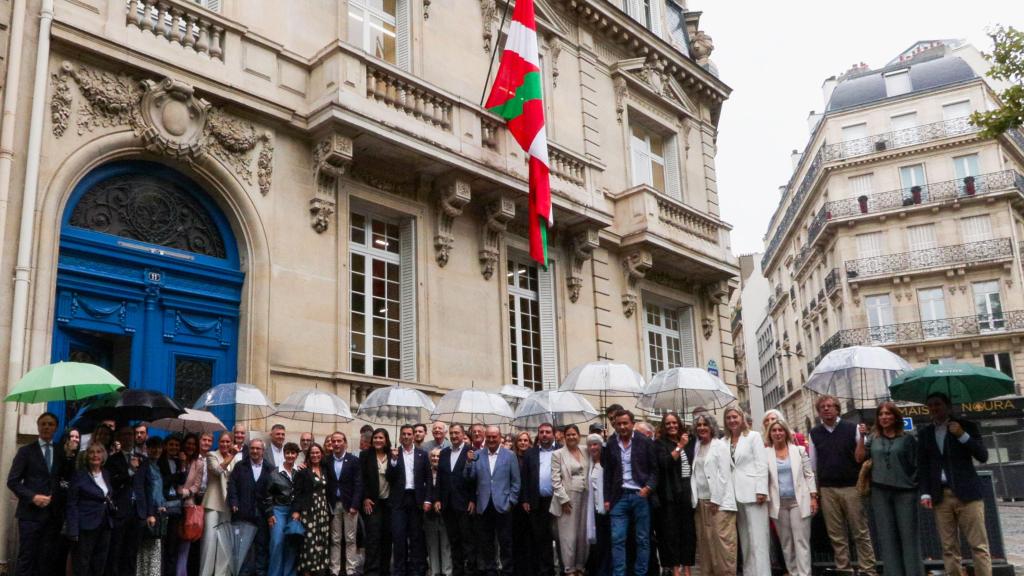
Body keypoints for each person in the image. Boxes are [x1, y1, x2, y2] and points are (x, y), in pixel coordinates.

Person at [918, 392, 991, 576]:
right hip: (941, 496)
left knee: (978, 545)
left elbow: (982, 456)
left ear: (948, 406)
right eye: (931, 405)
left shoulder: (966, 427)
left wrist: (962, 435)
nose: (935, 408)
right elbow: (923, 465)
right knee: (948, 547)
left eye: (938, 404)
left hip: (968, 494)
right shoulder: (925, 433)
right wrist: (925, 492)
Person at [808, 395, 876, 576]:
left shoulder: (852, 428)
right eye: (822, 407)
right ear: (819, 411)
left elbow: (859, 458)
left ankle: (868, 569)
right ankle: (844, 570)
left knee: (860, 531)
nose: (826, 409)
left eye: (830, 406)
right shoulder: (814, 433)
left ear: (837, 409)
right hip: (827, 489)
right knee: (836, 535)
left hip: (851, 487)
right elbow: (813, 466)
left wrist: (862, 437)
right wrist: (816, 493)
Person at [852, 402, 921, 576]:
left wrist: (913, 485)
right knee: (887, 538)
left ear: (895, 416)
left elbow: (917, 464)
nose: (884, 417)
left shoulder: (907, 438)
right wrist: (861, 437)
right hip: (880, 493)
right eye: (881, 414)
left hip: (905, 492)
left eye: (888, 414)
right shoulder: (873, 438)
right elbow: (859, 457)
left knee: (908, 538)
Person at [7, 412, 65, 576]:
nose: (47, 427)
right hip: (30, 516)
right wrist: (33, 497)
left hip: (52, 516)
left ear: (56, 428)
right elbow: (12, 481)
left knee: (46, 560)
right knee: (27, 558)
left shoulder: (61, 451)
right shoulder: (26, 451)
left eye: (51, 424)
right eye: (43, 424)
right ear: (38, 426)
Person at [602, 409, 656, 576]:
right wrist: (606, 498)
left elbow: (655, 470)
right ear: (615, 425)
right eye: (619, 424)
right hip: (619, 497)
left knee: (642, 539)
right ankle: (619, 573)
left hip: (640, 495)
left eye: (625, 423)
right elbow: (608, 473)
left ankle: (641, 573)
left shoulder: (644, 442)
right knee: (617, 539)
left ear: (632, 423)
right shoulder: (611, 443)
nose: (622, 426)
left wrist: (648, 487)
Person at [465, 425, 521, 576]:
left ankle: (507, 571)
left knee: (505, 543)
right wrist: (469, 462)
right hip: (483, 505)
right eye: (488, 437)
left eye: (494, 436)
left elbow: (516, 482)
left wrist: (511, 502)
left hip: (503, 505)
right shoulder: (476, 454)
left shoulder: (509, 455)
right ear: (485, 437)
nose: (491, 439)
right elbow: (469, 478)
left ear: (499, 437)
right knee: (486, 543)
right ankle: (491, 570)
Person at [765, 419, 817, 576]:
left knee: (801, 541)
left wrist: (813, 496)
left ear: (786, 432)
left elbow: (809, 475)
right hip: (778, 504)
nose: (777, 433)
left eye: (780, 430)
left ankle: (804, 573)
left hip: (798, 501)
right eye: (774, 430)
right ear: (770, 434)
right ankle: (793, 572)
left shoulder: (799, 450)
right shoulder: (765, 454)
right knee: (786, 543)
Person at [724, 406, 770, 576]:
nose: (732, 420)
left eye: (735, 417)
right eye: (728, 417)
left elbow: (761, 464)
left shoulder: (753, 436)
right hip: (735, 496)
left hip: (754, 493)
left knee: (759, 539)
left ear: (741, 418)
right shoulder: (724, 441)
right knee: (745, 540)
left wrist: (761, 490)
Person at [691, 413, 736, 576]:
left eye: (705, 424)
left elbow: (724, 475)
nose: (702, 428)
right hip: (701, 502)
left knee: (723, 546)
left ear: (712, 427)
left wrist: (716, 500)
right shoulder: (696, 446)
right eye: (699, 425)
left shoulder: (720, 445)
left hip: (720, 503)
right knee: (706, 546)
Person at [653, 412, 695, 576]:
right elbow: (664, 463)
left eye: (674, 423)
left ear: (679, 424)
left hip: (687, 491)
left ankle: (688, 569)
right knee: (672, 534)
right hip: (670, 494)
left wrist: (684, 443)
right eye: (668, 423)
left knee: (688, 532)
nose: (672, 426)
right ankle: (676, 570)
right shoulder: (659, 443)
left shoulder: (688, 441)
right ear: (664, 426)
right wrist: (679, 447)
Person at [388, 424, 431, 576]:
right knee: (399, 536)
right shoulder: (393, 453)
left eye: (409, 434)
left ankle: (416, 569)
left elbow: (428, 478)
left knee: (416, 536)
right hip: (399, 500)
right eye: (403, 434)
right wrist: (393, 461)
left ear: (413, 436)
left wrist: (428, 500)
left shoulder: (422, 454)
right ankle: (399, 570)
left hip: (416, 499)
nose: (406, 437)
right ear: (400, 436)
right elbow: (389, 477)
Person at [228, 438, 275, 576]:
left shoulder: (270, 468)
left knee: (261, 546)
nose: (254, 451)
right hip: (242, 512)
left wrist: (270, 513)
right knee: (243, 546)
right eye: (252, 448)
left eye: (258, 449)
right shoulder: (240, 466)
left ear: (263, 451)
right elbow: (232, 485)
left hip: (262, 513)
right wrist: (234, 502)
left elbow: (272, 492)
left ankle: (261, 572)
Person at [68, 442, 115, 576]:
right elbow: (72, 503)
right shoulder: (79, 475)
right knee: (82, 563)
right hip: (85, 526)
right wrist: (73, 529)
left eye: (99, 452)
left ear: (103, 455)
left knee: (99, 563)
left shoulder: (106, 474)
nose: (95, 455)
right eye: (92, 452)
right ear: (86, 456)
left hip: (105, 524)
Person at [436, 424, 475, 576]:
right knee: (454, 540)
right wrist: (438, 498)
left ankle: (471, 571)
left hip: (464, 503)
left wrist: (472, 499)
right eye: (451, 433)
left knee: (468, 541)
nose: (454, 436)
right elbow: (440, 477)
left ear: (463, 434)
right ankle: (457, 571)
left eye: (457, 433)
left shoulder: (470, 452)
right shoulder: (444, 453)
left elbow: (475, 479)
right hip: (447, 504)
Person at [551, 424, 589, 576]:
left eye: (574, 434)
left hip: (586, 497)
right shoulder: (558, 454)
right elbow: (555, 480)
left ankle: (580, 567)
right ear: (564, 437)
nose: (572, 437)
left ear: (579, 436)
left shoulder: (586, 450)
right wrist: (564, 500)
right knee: (568, 537)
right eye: (568, 435)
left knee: (583, 535)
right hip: (567, 500)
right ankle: (569, 569)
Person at [105, 425, 143, 576]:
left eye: (130, 434)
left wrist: (148, 512)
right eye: (125, 434)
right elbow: (112, 483)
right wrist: (130, 471)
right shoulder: (113, 460)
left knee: (131, 553)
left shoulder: (142, 459)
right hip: (120, 511)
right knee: (116, 552)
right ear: (119, 438)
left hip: (137, 511)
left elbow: (146, 485)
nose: (128, 437)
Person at [522, 423, 559, 576]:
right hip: (537, 502)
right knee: (541, 539)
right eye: (541, 432)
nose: (544, 434)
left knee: (559, 537)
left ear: (553, 434)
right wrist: (525, 499)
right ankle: (545, 571)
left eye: (548, 432)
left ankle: (562, 569)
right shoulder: (530, 453)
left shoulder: (560, 450)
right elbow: (524, 478)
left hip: (556, 501)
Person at [327, 431, 363, 576]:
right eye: (333, 441)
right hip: (333, 504)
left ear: (345, 443)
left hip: (349, 505)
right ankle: (334, 569)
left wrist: (355, 504)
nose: (336, 444)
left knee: (350, 538)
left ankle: (350, 569)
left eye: (339, 441)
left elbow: (358, 484)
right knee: (335, 538)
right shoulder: (326, 460)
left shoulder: (353, 460)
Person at [201, 431, 237, 576]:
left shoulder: (235, 460)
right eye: (222, 441)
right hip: (213, 503)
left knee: (224, 542)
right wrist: (231, 455)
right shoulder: (211, 455)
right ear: (218, 443)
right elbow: (217, 470)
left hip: (228, 504)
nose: (225, 444)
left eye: (228, 442)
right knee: (209, 541)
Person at [361, 428, 394, 576]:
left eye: (381, 438)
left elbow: (397, 478)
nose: (378, 440)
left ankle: (385, 570)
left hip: (389, 503)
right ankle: (371, 571)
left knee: (387, 538)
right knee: (373, 538)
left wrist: (394, 461)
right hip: (372, 503)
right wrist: (365, 498)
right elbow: (361, 479)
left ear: (386, 440)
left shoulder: (393, 455)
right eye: (375, 438)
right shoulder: (365, 455)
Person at [264, 441, 299, 576]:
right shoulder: (275, 473)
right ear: (284, 454)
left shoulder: (300, 472)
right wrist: (270, 513)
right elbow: (267, 495)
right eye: (287, 453)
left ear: (296, 455)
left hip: (294, 512)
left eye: (293, 453)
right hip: (278, 510)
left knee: (291, 544)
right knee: (277, 543)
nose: (290, 456)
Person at [176, 433, 205, 576]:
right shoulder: (175, 458)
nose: (191, 446)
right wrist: (181, 463)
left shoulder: (199, 463)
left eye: (194, 444)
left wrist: (185, 492)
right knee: (171, 545)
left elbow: (197, 486)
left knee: (184, 546)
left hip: (188, 506)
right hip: (172, 506)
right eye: (188, 443)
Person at [138, 437, 167, 576]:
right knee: (145, 551)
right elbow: (145, 491)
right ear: (147, 449)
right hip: (150, 512)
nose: (156, 450)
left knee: (155, 550)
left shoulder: (158, 466)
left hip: (159, 511)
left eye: (159, 447)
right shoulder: (144, 465)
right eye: (153, 447)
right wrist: (150, 512)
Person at [584, 433, 609, 576]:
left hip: (606, 508)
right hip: (592, 508)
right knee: (596, 544)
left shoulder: (606, 463)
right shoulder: (589, 463)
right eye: (590, 445)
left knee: (606, 542)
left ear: (601, 446)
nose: (593, 447)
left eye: (596, 444)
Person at [425, 448, 452, 576]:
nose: (435, 458)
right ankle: (435, 571)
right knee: (432, 544)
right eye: (433, 456)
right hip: (429, 514)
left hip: (445, 512)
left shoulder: (447, 472)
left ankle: (447, 572)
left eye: (438, 456)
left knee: (446, 544)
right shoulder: (425, 472)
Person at [511, 432, 533, 576]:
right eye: (520, 440)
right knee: (516, 538)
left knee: (530, 538)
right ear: (516, 442)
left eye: (526, 440)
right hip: (515, 504)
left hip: (531, 503)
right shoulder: (511, 457)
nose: (523, 443)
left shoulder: (533, 457)